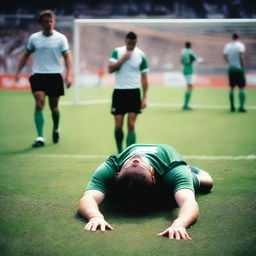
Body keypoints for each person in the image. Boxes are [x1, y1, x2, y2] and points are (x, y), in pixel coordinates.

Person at [78, 144, 214, 240]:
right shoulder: (174, 170)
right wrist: (180, 224)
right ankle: (190, 171)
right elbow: (188, 202)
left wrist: (94, 216)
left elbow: (88, 197)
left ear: (117, 173)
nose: (136, 160)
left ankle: (189, 169)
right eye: (137, 165)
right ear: (152, 174)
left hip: (165, 167)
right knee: (207, 182)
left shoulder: (113, 164)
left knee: (204, 183)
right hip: (169, 161)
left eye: (133, 164)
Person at [15, 9, 72, 147]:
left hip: (55, 75)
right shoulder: (34, 38)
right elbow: (26, 55)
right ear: (41, 23)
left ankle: (56, 128)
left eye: (51, 21)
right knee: (39, 103)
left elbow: (67, 56)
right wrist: (17, 72)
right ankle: (40, 137)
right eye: (46, 21)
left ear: (54, 22)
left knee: (54, 107)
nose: (49, 23)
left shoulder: (61, 38)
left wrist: (68, 74)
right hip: (38, 75)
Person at [108, 32, 149, 153]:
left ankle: (130, 153)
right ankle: (120, 151)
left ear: (137, 41)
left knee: (131, 125)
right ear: (125, 40)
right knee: (118, 125)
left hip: (134, 93)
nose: (132, 44)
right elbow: (110, 69)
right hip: (119, 92)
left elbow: (144, 77)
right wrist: (123, 59)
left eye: (134, 43)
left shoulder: (141, 55)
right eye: (130, 42)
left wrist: (145, 97)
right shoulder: (117, 52)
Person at [223, 33, 246, 112]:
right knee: (241, 88)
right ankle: (241, 107)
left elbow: (224, 56)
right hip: (239, 68)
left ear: (232, 38)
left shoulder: (228, 46)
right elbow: (241, 56)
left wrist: (229, 63)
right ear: (238, 37)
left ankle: (232, 107)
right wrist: (242, 66)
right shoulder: (240, 45)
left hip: (231, 69)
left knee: (231, 88)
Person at [180, 42, 201, 110]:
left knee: (189, 87)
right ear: (190, 46)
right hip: (189, 70)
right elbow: (197, 59)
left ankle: (186, 104)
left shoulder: (183, 52)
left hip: (184, 69)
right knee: (190, 87)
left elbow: (181, 61)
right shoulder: (190, 52)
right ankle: (186, 105)